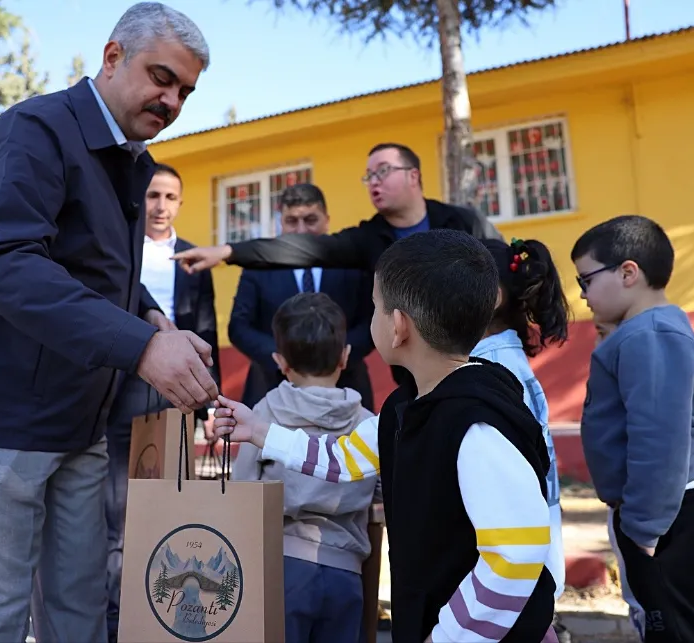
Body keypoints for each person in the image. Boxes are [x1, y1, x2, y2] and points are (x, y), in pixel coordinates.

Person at [0, 4, 217, 641]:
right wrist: (140, 349)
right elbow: (4, 261)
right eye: (161, 77)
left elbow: (94, 269)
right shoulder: (32, 131)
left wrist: (152, 317)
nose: (172, 100)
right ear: (112, 57)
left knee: (78, 619)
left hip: (79, 428)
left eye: (185, 91)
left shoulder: (129, 159)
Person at [212, 229, 558, 642]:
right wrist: (260, 432)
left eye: (374, 307)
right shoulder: (405, 406)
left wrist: (447, 636)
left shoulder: (476, 424)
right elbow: (341, 458)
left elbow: (516, 555)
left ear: (397, 327)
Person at [174, 143, 504, 389]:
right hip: (414, 380)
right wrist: (228, 250)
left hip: (482, 362)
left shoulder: (464, 222)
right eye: (369, 175)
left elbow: (502, 277)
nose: (374, 181)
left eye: (384, 171)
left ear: (413, 175)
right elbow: (303, 248)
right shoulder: (368, 238)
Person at [571, 215, 694, 643]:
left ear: (628, 273)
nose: (583, 295)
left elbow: (659, 442)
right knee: (689, 619)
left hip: (676, 509)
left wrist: (645, 527)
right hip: (674, 505)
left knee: (676, 627)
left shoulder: (649, 337)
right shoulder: (639, 331)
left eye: (586, 280)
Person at [104, 162, 221, 643]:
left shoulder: (192, 258)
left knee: (172, 498)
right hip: (121, 381)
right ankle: (114, 614)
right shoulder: (121, 246)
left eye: (170, 197)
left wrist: (208, 403)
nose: (160, 206)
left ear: (180, 203)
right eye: (153, 195)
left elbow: (208, 329)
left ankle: (165, 605)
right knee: (116, 505)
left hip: (178, 390)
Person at [231, 292, 379, 643]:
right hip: (347, 574)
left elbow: (242, 489)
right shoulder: (367, 423)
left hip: (282, 569)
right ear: (345, 357)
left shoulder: (263, 414)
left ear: (280, 362)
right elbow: (380, 489)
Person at [473, 237, 571, 636]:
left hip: (517, 559)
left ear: (491, 297)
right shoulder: (501, 359)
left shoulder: (489, 371)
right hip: (531, 549)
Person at [229, 183, 374, 410]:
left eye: (310, 220)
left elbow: (371, 321)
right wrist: (285, 358)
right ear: (281, 222)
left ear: (327, 220)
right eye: (291, 221)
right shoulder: (257, 267)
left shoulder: (353, 263)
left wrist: (334, 356)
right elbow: (238, 326)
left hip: (345, 388)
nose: (301, 230)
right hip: (271, 386)